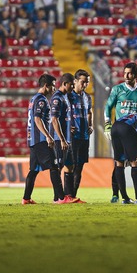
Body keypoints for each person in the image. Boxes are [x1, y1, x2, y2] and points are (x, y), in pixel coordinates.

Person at [104, 62, 137, 203]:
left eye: (130, 73)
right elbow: (108, 107)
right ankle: (133, 198)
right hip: (123, 129)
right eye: (125, 73)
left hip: (134, 131)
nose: (126, 76)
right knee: (128, 162)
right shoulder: (117, 89)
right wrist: (107, 125)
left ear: (136, 75)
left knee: (124, 162)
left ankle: (126, 198)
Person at [22, 73, 79, 205]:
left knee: (34, 170)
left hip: (32, 140)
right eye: (52, 86)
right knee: (54, 167)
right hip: (41, 139)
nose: (54, 89)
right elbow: (37, 119)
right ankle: (61, 197)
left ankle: (26, 198)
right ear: (46, 86)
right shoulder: (41, 100)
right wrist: (48, 136)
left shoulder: (33, 99)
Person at [49, 73, 85, 203]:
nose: (72, 87)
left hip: (67, 138)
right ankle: (58, 197)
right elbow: (54, 119)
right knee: (58, 167)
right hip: (60, 140)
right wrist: (62, 139)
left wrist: (69, 128)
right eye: (71, 84)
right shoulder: (57, 98)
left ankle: (68, 196)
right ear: (65, 84)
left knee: (70, 166)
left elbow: (64, 118)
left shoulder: (65, 97)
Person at [67, 69, 93, 199]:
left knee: (79, 167)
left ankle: (73, 196)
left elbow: (89, 112)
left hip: (84, 136)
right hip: (72, 137)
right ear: (75, 81)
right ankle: (64, 195)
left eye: (87, 82)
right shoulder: (68, 96)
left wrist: (90, 125)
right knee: (70, 166)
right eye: (83, 82)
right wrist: (66, 126)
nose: (85, 85)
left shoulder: (87, 97)